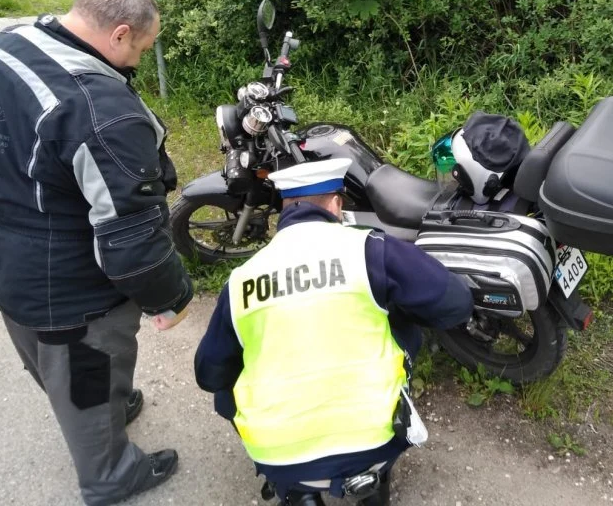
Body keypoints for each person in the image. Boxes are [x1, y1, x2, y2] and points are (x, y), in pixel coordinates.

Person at [0, 0, 194, 506]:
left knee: (48, 359)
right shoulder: (99, 109)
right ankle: (111, 477)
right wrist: (170, 298)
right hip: (70, 284)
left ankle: (107, 408)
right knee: (87, 371)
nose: (137, 60)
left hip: (5, 251)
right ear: (117, 34)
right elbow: (131, 235)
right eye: (140, 47)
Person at [194, 158, 474, 506]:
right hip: (374, 439)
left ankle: (297, 492)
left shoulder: (240, 281)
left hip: (277, 452)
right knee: (391, 316)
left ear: (284, 209)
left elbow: (209, 375)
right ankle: (371, 484)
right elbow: (456, 303)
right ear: (336, 205)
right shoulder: (370, 250)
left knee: (227, 387)